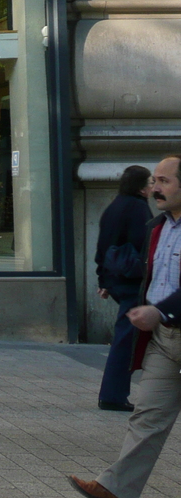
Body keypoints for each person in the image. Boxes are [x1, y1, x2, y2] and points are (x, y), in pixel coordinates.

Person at [69, 154, 181, 498]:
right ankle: (115, 489)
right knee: (147, 416)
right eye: (154, 180)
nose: (155, 188)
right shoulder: (158, 226)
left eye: (164, 181)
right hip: (164, 340)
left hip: (164, 321)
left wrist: (160, 311)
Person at [94, 165, 154, 412]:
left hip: (116, 279)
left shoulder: (115, 205)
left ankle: (115, 393)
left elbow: (102, 246)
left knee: (127, 336)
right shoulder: (138, 208)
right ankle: (113, 395)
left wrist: (103, 281)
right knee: (126, 339)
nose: (153, 187)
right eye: (151, 183)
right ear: (141, 187)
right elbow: (146, 245)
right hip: (131, 280)